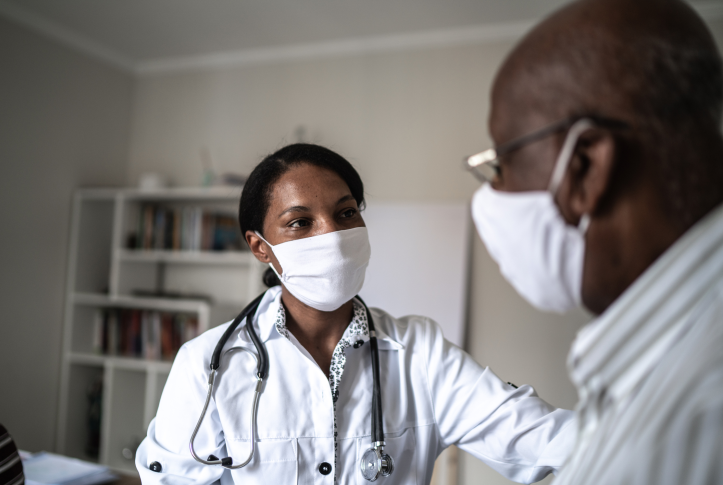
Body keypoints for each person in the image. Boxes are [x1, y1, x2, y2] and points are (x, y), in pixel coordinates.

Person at [136, 143, 574, 483]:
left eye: (346, 212)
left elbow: (539, 436)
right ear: (259, 246)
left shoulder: (420, 353)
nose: (332, 234)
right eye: (300, 222)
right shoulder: (206, 363)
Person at [467, 0, 723, 483]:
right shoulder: (647, 372)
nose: (494, 192)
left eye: (503, 165)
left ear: (585, 167)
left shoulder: (698, 420)